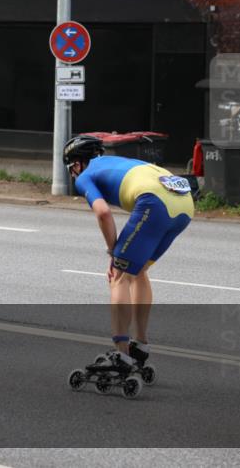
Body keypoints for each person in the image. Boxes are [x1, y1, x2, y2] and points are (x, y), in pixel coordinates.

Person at [64, 134, 194, 372]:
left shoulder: (85, 176)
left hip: (154, 203)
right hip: (185, 205)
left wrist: (113, 253)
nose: (73, 173)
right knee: (137, 270)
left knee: (119, 275)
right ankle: (140, 345)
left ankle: (121, 355)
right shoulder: (118, 161)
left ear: (76, 163)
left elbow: (103, 212)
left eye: (71, 167)